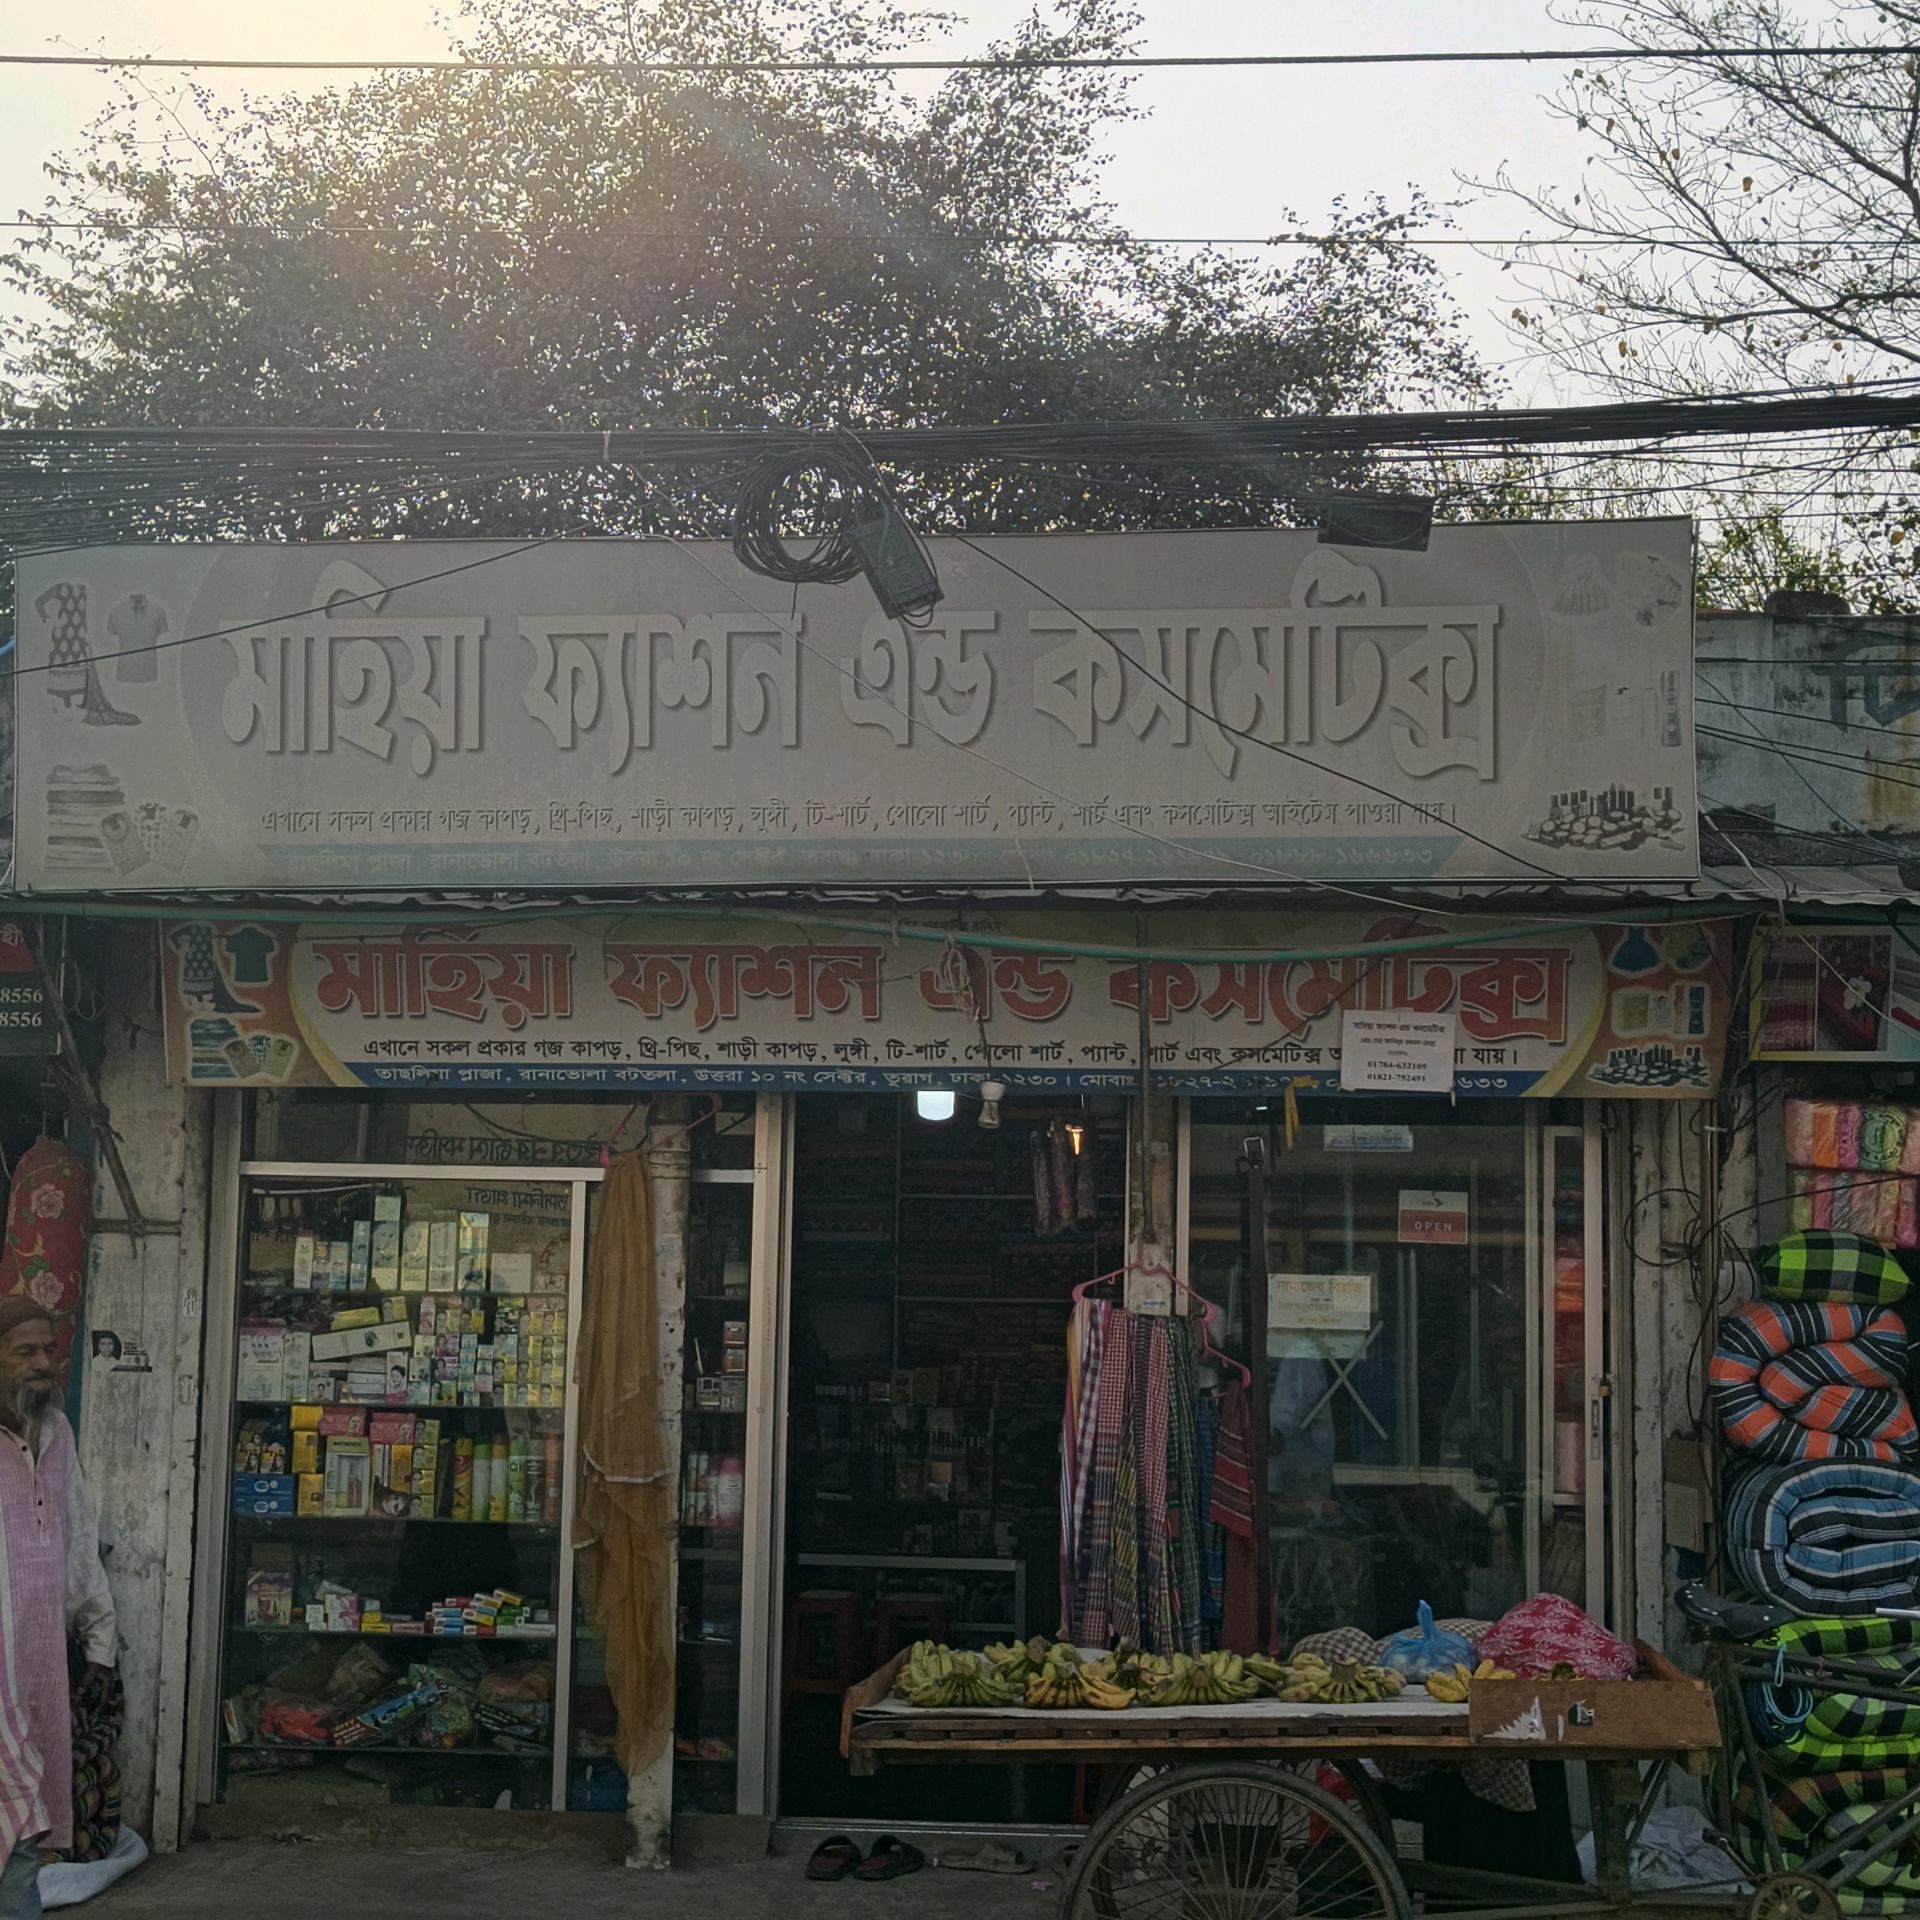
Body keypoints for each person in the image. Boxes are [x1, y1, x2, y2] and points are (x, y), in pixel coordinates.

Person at [0, 1299, 115, 1920]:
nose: (43, 1363)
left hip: (39, 1669)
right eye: (25, 1351)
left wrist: (99, 1637)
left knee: (22, 1831)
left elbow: (77, 1535)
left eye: (49, 1350)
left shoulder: (57, 1431)